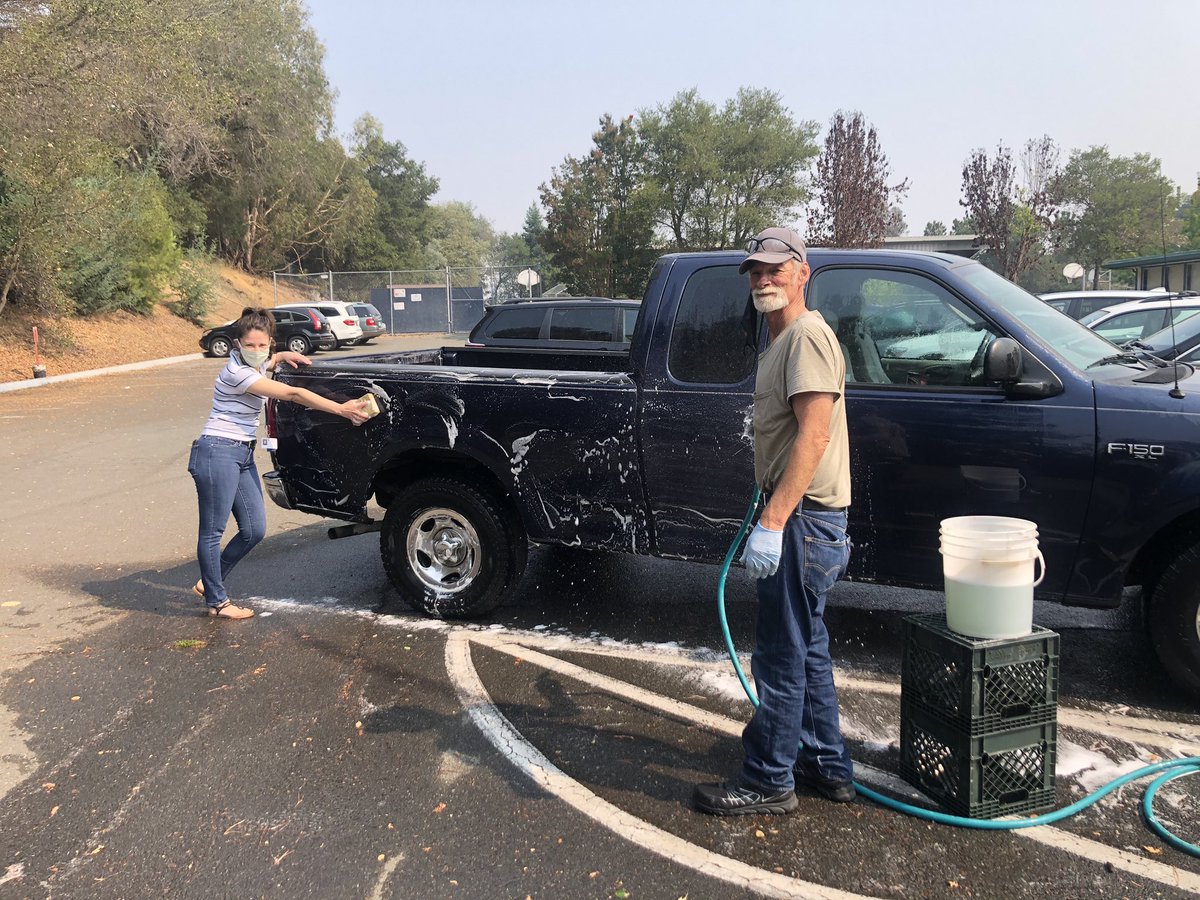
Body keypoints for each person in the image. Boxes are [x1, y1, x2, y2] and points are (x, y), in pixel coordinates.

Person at [694, 227, 854, 815]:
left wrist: (774, 519)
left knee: (781, 656)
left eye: (775, 269)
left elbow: (815, 434)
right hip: (811, 521)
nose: (763, 280)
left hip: (803, 522)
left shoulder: (807, 337)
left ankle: (767, 781)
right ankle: (827, 765)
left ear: (802, 273)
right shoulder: (785, 341)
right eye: (755, 272)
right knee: (807, 647)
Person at [188, 307, 371, 619]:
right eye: (250, 346)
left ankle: (210, 581)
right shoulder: (237, 373)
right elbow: (293, 393)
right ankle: (217, 602)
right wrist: (342, 409)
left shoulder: (254, 364)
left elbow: (266, 364)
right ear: (237, 346)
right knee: (212, 531)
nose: (257, 352)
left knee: (254, 529)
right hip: (217, 452)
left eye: (263, 346)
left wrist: (281, 355)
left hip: (241, 454)